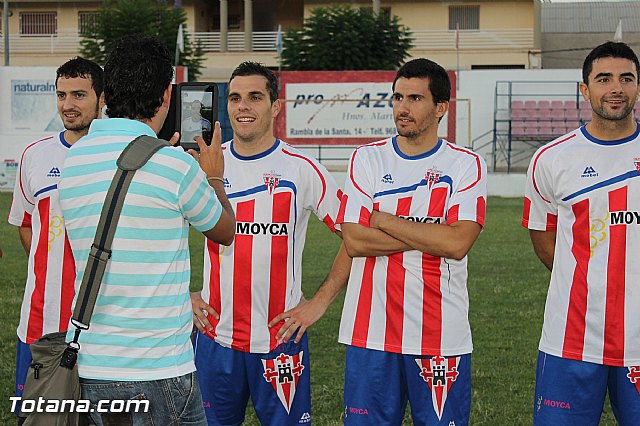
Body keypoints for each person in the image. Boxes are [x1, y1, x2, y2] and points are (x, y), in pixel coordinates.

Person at [58, 36, 235, 425]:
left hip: (88, 366)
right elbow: (225, 231)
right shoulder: (174, 165)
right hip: (158, 369)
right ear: (167, 95)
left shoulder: (73, 160)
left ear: (106, 95)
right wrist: (214, 176)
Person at [190, 61, 349, 425]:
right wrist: (184, 294)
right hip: (215, 340)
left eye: (255, 97)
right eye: (234, 98)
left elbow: (354, 237)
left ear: (275, 107)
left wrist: (318, 304)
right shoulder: (206, 165)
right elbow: (154, 230)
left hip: (280, 342)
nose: (242, 106)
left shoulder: (302, 169)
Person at [337, 58, 487, 425]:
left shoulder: (466, 165)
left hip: (440, 335)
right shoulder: (366, 158)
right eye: (398, 97)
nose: (402, 107)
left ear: (441, 108)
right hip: (369, 334)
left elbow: (457, 243)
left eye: (415, 99)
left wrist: (384, 220)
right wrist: (431, 232)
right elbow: (355, 239)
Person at [523, 41, 640, 425]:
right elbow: (544, 243)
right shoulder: (551, 159)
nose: (616, 88)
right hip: (570, 339)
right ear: (585, 90)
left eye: (626, 78)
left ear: (638, 87)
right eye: (603, 79)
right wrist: (586, 280)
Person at [7, 57, 103, 411]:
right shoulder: (34, 155)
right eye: (61, 95)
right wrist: (50, 263)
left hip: (103, 325)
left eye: (79, 94)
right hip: (40, 321)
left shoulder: (117, 156)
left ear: (102, 98)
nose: (68, 105)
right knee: (39, 419)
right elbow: (26, 224)